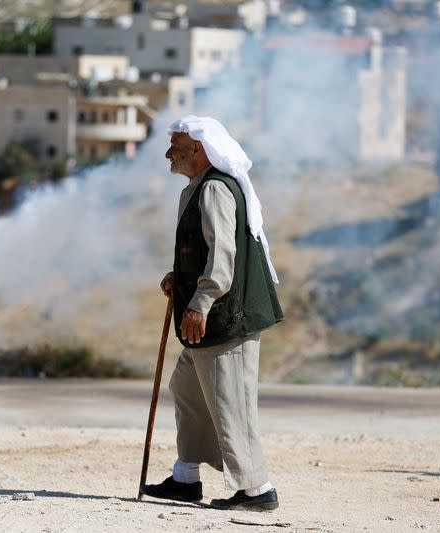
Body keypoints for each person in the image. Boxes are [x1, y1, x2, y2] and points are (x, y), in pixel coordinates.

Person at [141, 115, 284, 512]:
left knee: (231, 401)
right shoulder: (195, 190)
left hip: (224, 317)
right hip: (207, 318)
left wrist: (201, 301)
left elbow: (223, 255)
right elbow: (205, 251)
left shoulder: (215, 190)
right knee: (188, 389)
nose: (168, 154)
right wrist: (180, 276)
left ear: (198, 149)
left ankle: (257, 489)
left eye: (176, 147)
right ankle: (186, 477)